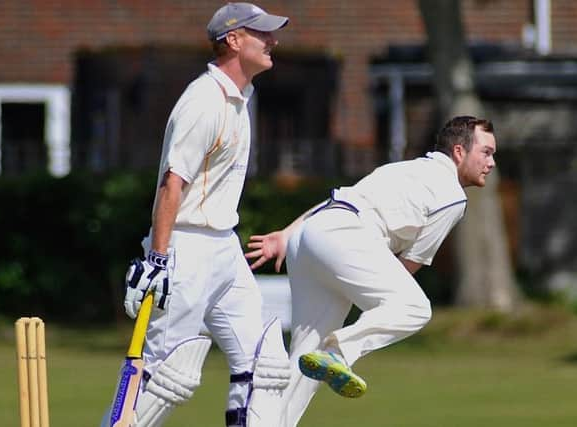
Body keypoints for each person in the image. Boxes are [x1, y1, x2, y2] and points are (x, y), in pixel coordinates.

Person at [105, 4, 291, 427]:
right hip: (186, 246)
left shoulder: (243, 99)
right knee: (169, 374)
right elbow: (173, 182)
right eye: (262, 34)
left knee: (266, 364)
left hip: (223, 246)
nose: (273, 41)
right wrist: (158, 257)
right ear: (233, 39)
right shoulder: (203, 101)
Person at [245, 116, 497, 426]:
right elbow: (407, 266)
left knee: (304, 359)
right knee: (414, 308)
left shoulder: (404, 168)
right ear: (459, 151)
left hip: (310, 236)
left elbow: (340, 198)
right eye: (486, 152)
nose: (492, 162)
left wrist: (286, 233)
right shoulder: (453, 196)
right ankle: (340, 350)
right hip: (346, 238)